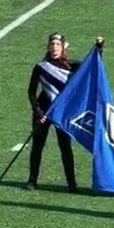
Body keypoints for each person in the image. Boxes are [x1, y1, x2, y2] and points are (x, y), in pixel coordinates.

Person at [26, 32, 94, 192]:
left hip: (61, 112)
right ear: (48, 47)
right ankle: (32, 180)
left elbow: (92, 65)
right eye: (52, 44)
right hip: (43, 111)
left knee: (65, 147)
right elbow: (31, 92)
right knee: (37, 146)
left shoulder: (72, 65)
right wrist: (37, 111)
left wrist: (99, 48)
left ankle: (72, 183)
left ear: (63, 47)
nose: (54, 47)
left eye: (58, 44)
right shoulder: (41, 67)